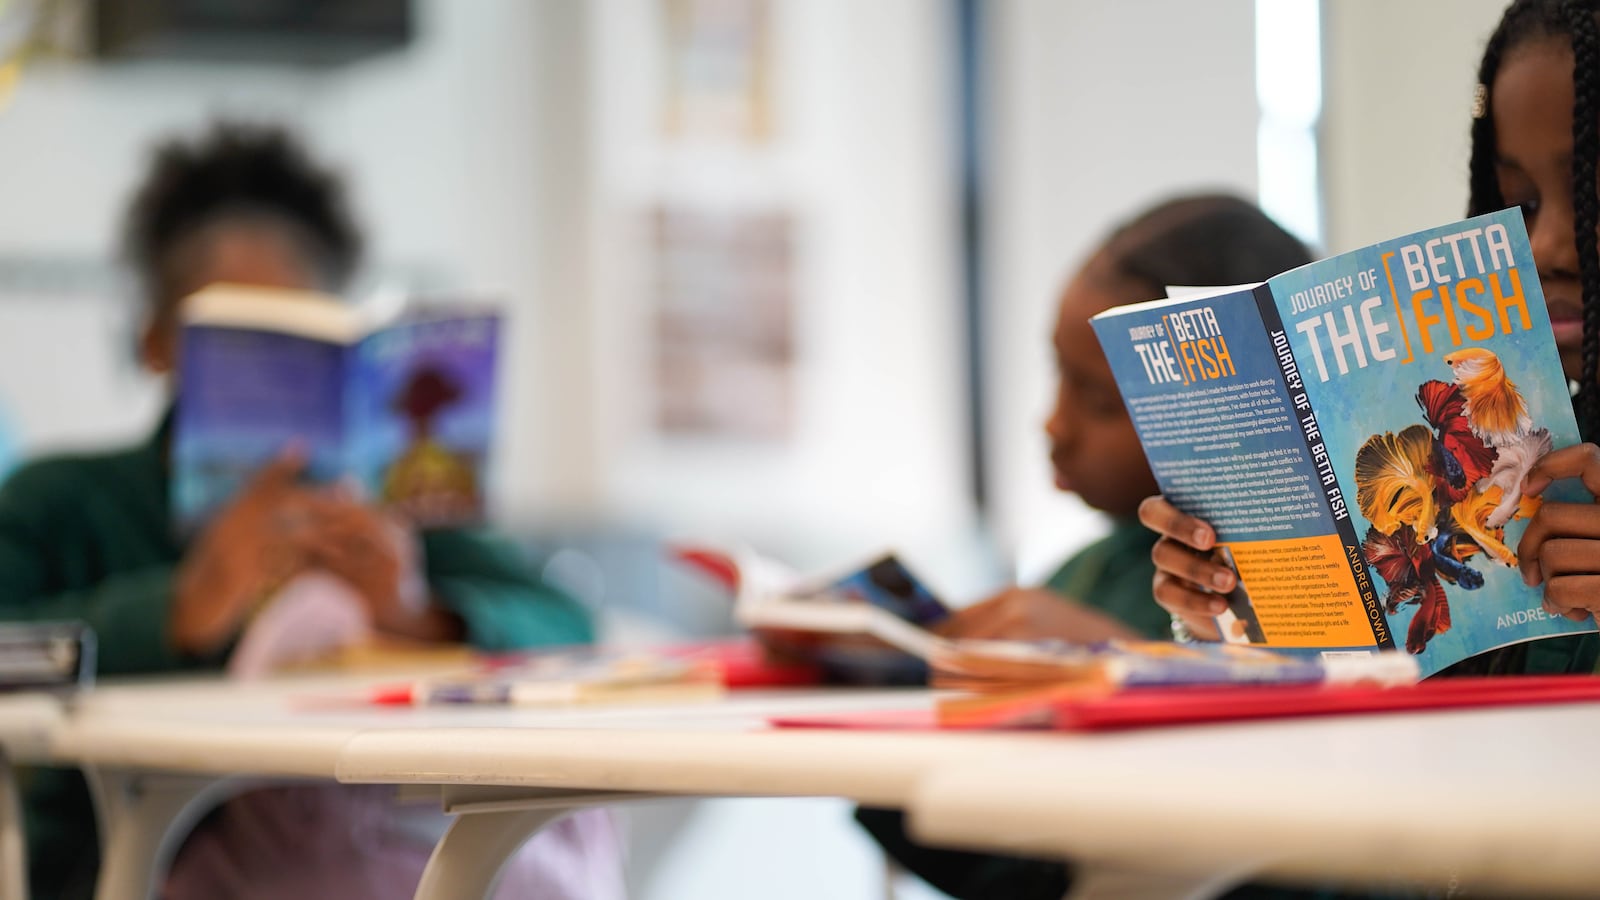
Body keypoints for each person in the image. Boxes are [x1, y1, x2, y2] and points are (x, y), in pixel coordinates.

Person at [3, 122, 618, 899]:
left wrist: (417, 612)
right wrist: (180, 610)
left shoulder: (395, 513)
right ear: (156, 340)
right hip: (126, 864)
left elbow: (567, 626)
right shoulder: (65, 500)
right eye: (235, 339)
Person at [856, 193, 1314, 900]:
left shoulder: (1301, 592)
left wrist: (1124, 667)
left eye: (1099, 401)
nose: (1054, 425)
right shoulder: (1083, 574)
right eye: (1059, 377)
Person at [1139, 0, 1600, 681]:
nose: (1547, 246)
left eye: (1591, 197)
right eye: (1521, 203)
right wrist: (1229, 621)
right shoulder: (1538, 447)